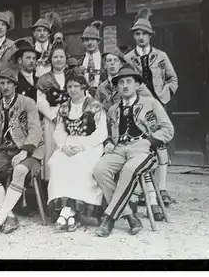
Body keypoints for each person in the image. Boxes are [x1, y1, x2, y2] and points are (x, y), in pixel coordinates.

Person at [93, 65, 174, 238]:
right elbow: (106, 132)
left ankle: (109, 219)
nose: (125, 85)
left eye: (129, 81)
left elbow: (168, 129)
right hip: (119, 148)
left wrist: (149, 141)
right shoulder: (113, 109)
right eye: (121, 82)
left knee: (129, 170)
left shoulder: (151, 103)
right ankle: (129, 216)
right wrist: (107, 141)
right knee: (99, 170)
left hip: (143, 150)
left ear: (137, 85)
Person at [124, 7, 179, 210]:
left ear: (149, 36)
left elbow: (173, 78)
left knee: (161, 144)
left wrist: (165, 94)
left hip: (158, 107)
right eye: (137, 34)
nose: (140, 37)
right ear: (134, 36)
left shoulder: (161, 56)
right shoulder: (129, 58)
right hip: (139, 109)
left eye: (144, 34)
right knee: (142, 145)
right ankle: (142, 191)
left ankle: (161, 188)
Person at [0, 69, 44, 235]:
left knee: (20, 170)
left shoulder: (28, 103)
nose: (5, 86)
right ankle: (9, 216)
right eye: (2, 83)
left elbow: (35, 130)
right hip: (5, 150)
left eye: (9, 82)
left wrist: (25, 151)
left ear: (15, 85)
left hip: (29, 150)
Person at [47, 71, 107, 232]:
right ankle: (67, 211)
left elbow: (102, 132)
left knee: (79, 164)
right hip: (69, 143)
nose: (73, 90)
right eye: (69, 86)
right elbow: (59, 130)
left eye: (76, 87)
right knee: (56, 162)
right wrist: (63, 146)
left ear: (84, 87)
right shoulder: (64, 107)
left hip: (90, 145)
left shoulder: (95, 106)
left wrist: (83, 145)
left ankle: (69, 211)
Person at [36, 39, 70, 181]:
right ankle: (52, 185)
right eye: (55, 57)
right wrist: (53, 117)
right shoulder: (44, 79)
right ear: (50, 59)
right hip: (52, 119)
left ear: (66, 58)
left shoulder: (72, 76)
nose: (58, 60)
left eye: (61, 56)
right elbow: (40, 102)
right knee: (52, 150)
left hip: (71, 118)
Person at [96, 45, 153, 112]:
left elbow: (150, 102)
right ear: (105, 65)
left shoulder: (133, 83)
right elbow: (96, 109)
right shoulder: (101, 88)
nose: (112, 63)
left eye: (116, 60)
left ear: (121, 64)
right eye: (109, 60)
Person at [31, 12, 62, 77]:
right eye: (39, 30)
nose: (42, 33)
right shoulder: (30, 50)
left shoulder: (56, 49)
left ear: (49, 34)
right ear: (34, 33)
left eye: (45, 30)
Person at [79, 21, 106, 96]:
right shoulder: (79, 63)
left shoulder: (105, 61)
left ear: (98, 41)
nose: (90, 43)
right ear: (83, 42)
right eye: (87, 40)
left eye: (93, 39)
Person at [13, 38, 40, 102]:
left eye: (34, 58)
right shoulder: (14, 83)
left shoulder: (40, 81)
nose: (32, 61)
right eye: (28, 58)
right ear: (20, 60)